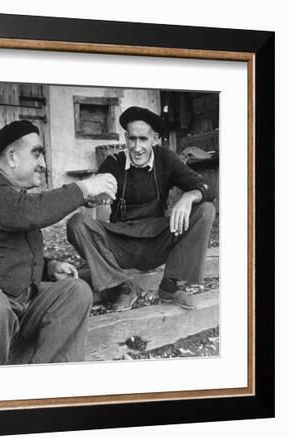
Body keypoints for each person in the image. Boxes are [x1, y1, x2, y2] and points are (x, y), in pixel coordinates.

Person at [0, 120, 117, 366]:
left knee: (76, 291)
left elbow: (7, 249)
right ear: (12, 157)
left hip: (20, 301)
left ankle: (40, 381)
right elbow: (29, 214)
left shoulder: (15, 197)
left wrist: (49, 267)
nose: (44, 164)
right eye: (37, 154)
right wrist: (83, 188)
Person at [66, 106, 216, 312]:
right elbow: (92, 197)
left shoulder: (166, 159)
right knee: (76, 223)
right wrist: (92, 199)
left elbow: (208, 187)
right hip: (120, 245)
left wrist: (189, 196)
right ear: (126, 138)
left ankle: (170, 285)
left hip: (158, 242)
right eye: (132, 139)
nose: (137, 147)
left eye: (143, 139)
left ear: (155, 139)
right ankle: (121, 286)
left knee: (205, 209)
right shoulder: (113, 162)